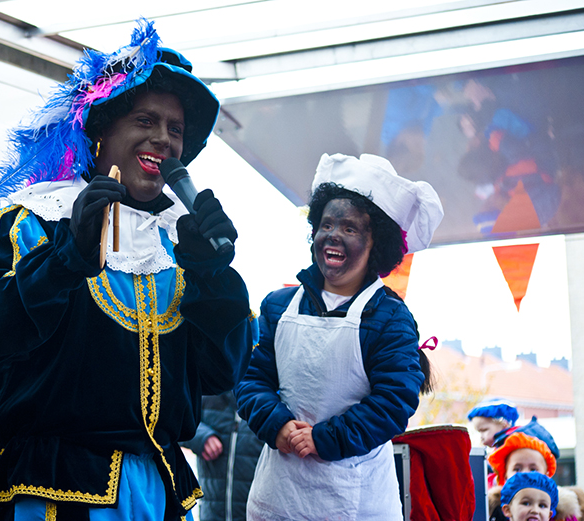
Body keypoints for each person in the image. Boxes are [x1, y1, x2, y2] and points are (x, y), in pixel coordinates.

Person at [0, 19, 256, 521]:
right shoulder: (33, 222)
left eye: (175, 129)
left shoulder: (179, 242)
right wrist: (66, 259)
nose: (163, 139)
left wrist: (213, 274)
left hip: (161, 493)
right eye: (145, 120)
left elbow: (220, 373)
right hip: (56, 494)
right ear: (102, 130)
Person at [235, 153, 444, 520]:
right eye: (326, 224)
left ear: (375, 243)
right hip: (277, 500)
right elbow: (252, 381)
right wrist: (277, 425)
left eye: (349, 228)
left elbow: (394, 402)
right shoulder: (278, 305)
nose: (333, 235)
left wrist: (324, 439)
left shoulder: (390, 317)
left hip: (357, 502)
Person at [181, 391, 263, 521]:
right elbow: (176, 419)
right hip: (212, 509)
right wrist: (201, 437)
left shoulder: (267, 395)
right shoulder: (208, 388)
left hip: (256, 512)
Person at [487, 432, 584, 521]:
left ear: (547, 475)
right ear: (504, 475)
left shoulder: (563, 515)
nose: (526, 474)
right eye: (517, 469)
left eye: (533, 469)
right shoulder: (489, 511)